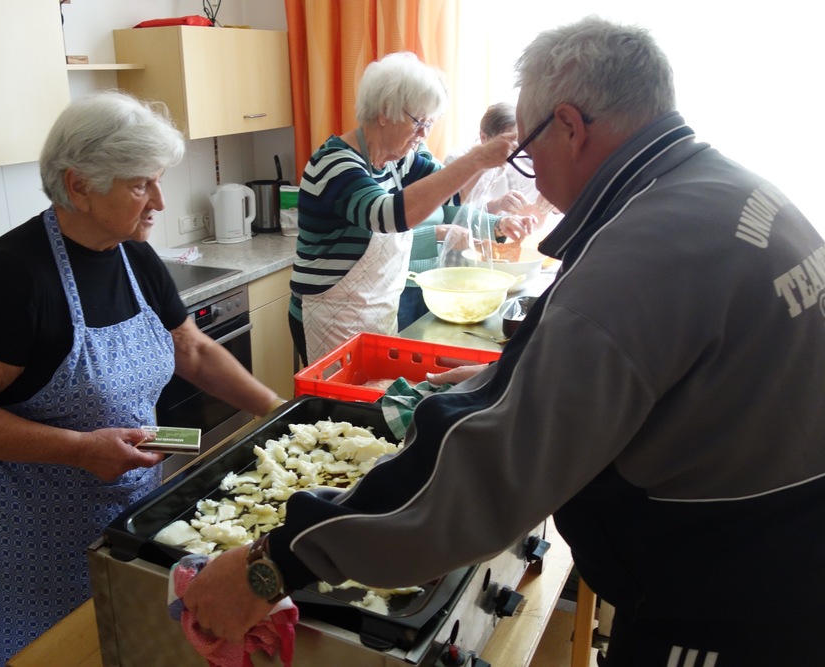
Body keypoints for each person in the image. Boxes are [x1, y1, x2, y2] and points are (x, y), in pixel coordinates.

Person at [183, 16, 825, 666]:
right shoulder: (725, 189)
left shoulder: (641, 254)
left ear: (571, 126)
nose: (531, 175)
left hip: (731, 603)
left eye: (528, 152)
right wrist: (512, 380)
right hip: (776, 561)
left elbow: (491, 470)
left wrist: (274, 563)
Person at [0, 91, 283, 666]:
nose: (160, 200)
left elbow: (191, 350)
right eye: (142, 185)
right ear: (80, 184)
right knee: (61, 646)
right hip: (35, 516)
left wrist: (277, 411)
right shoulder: (11, 278)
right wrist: (80, 449)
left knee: (130, 626)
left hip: (133, 487)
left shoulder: (132, 255)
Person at [287, 51, 530, 363]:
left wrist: (494, 222)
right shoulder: (335, 164)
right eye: (419, 122)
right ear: (386, 112)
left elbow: (449, 197)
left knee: (372, 399)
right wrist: (480, 157)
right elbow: (388, 215)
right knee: (339, 407)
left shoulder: (402, 160)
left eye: (430, 123)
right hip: (328, 316)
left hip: (378, 312)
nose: (423, 135)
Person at [447, 101, 552, 221]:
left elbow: (537, 204)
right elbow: (455, 217)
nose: (516, 149)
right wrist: (497, 205)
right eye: (507, 142)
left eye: (519, 141)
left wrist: (550, 202)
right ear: (484, 137)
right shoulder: (455, 161)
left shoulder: (521, 158)